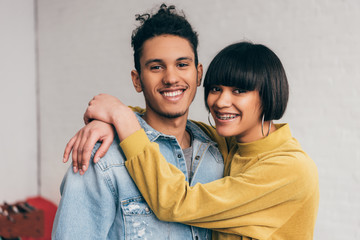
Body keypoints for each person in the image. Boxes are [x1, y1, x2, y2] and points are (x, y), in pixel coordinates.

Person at [66, 42, 319, 239]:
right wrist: (110, 121)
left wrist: (120, 116)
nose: (220, 102)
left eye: (239, 90)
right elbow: (164, 121)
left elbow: (177, 203)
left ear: (269, 93)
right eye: (216, 88)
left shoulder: (290, 169)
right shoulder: (224, 143)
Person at [52, 4, 225, 239]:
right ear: (137, 80)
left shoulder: (218, 155)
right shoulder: (102, 157)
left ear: (198, 73)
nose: (171, 77)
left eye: (182, 64)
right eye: (156, 67)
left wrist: (118, 114)